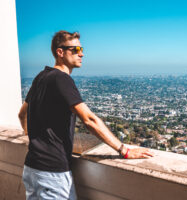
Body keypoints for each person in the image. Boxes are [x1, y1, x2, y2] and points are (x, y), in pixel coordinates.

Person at [18, 30, 154, 200]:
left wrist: (33, 138)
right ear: (60, 52)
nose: (81, 54)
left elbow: (22, 113)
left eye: (81, 49)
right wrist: (124, 149)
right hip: (52, 173)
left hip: (32, 168)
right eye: (75, 49)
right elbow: (89, 120)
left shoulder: (41, 76)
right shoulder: (61, 79)